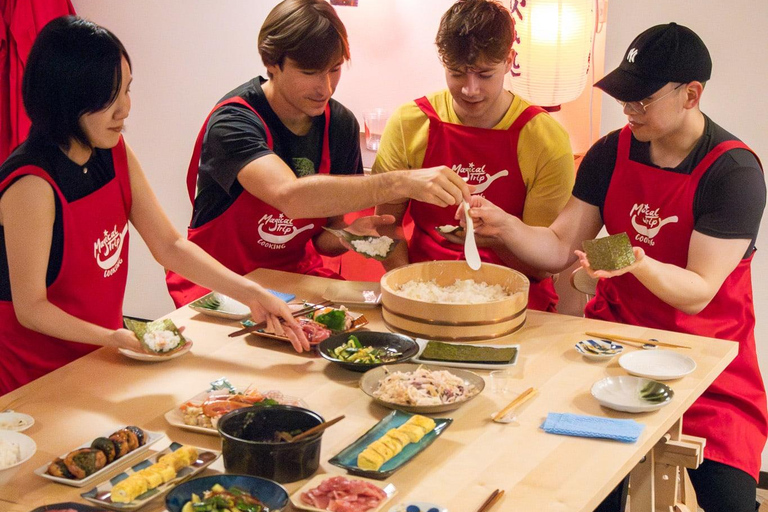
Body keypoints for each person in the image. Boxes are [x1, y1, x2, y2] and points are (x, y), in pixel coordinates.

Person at [466, 23, 767, 512]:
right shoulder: (611, 151)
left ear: (691, 94)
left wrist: (631, 258)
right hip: (614, 349)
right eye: (624, 98)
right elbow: (563, 246)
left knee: (731, 501)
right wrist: (505, 227)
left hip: (711, 362)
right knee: (585, 488)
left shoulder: (734, 173)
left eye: (641, 101)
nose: (628, 111)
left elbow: (698, 290)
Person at [0, 16, 311, 396]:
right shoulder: (31, 182)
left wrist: (253, 293)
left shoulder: (113, 152)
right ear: (67, 100)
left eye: (127, 90)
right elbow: (31, 308)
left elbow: (169, 245)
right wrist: (118, 337)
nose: (125, 110)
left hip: (97, 356)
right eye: (109, 98)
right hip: (34, 379)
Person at [165, 0, 471, 308]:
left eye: (335, 69)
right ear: (272, 62)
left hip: (293, 277)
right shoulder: (234, 121)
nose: (325, 88)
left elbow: (324, 236)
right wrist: (400, 183)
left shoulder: (339, 124)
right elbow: (291, 197)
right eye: (310, 72)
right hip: (220, 282)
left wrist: (347, 236)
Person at [371, 0, 574, 312]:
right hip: (423, 286)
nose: (470, 89)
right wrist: (407, 287)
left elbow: (542, 265)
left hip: (516, 298)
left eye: (484, 74)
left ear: (509, 60)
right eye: (457, 74)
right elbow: (385, 224)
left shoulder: (545, 138)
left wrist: (495, 234)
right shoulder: (410, 122)